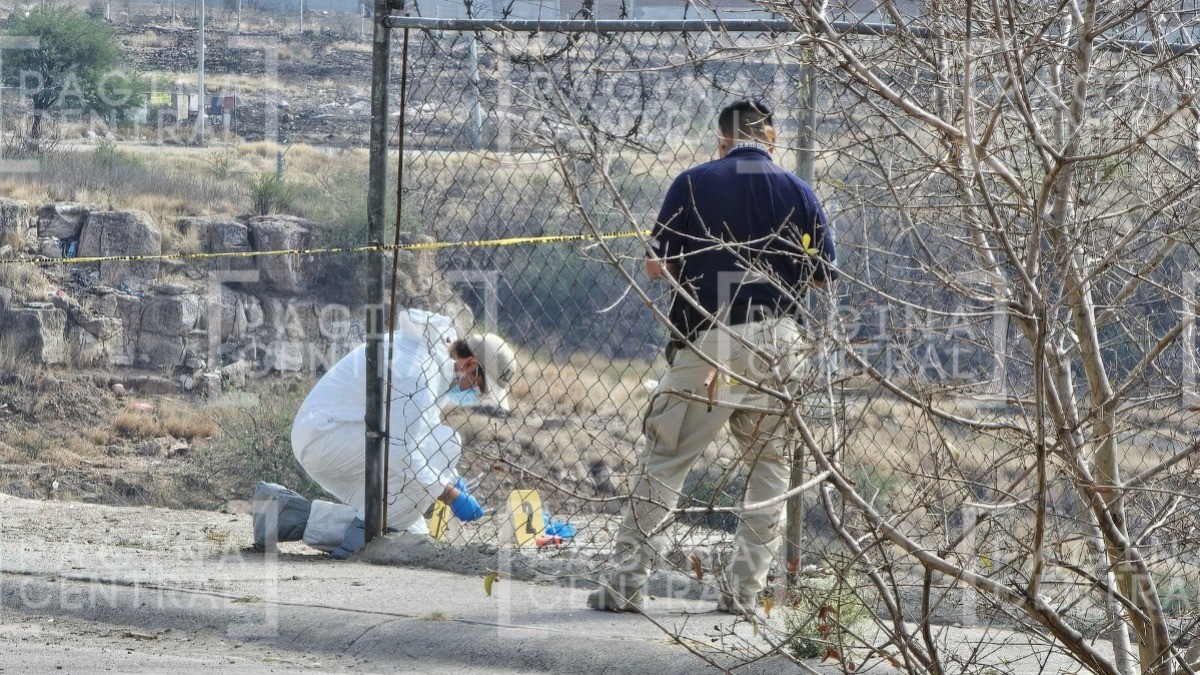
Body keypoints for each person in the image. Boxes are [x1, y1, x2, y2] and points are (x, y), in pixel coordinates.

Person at [588, 100, 837, 614]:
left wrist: (701, 269)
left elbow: (657, 267)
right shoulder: (799, 190)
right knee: (769, 464)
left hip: (714, 344)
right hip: (780, 346)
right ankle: (744, 592)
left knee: (668, 459)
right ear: (770, 138)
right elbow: (823, 276)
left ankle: (626, 584)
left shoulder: (694, 182)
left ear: (721, 140)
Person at [290, 308, 519, 558]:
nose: (475, 392)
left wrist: (451, 478)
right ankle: (357, 547)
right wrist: (452, 495)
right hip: (325, 437)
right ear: (471, 364)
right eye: (479, 385)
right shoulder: (423, 371)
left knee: (412, 535)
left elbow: (422, 432)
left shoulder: (431, 360)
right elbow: (403, 451)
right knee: (440, 451)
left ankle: (290, 515)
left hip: (332, 434)